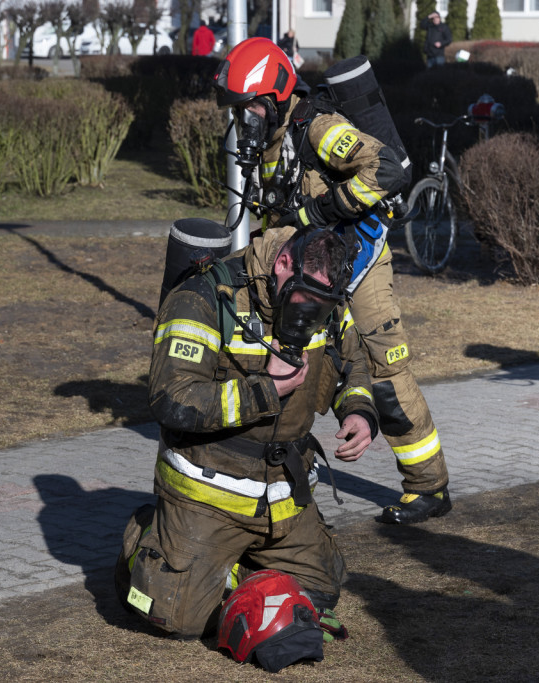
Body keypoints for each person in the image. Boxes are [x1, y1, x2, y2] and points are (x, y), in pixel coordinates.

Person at [213, 37, 452, 525]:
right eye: (240, 109)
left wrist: (324, 208)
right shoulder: (271, 141)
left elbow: (384, 169)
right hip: (314, 270)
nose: (245, 118)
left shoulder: (316, 128)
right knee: (303, 361)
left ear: (276, 94)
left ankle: (429, 486)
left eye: (251, 106)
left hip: (359, 262)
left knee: (384, 367)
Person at [115, 226, 380, 639]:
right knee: (177, 619)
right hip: (209, 495)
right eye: (304, 297)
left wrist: (360, 412)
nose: (311, 311)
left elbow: (353, 363)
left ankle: (234, 565)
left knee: (322, 591)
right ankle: (147, 541)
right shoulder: (203, 297)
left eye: (322, 304)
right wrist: (266, 390)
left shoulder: (327, 298)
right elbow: (171, 399)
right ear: (283, 264)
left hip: (282, 498)